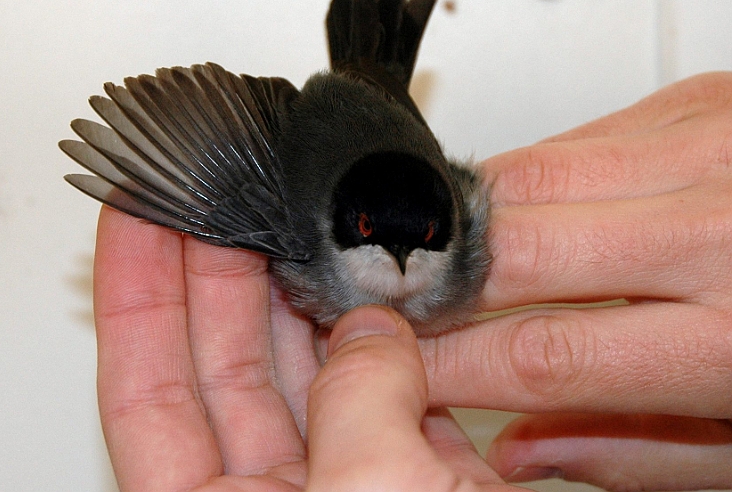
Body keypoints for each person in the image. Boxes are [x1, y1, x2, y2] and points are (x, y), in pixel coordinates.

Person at [92, 71, 732, 491]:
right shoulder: (300, 227)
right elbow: (220, 165)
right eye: (369, 233)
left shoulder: (457, 237)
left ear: (446, 231)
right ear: (344, 221)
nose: (397, 262)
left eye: (424, 245)